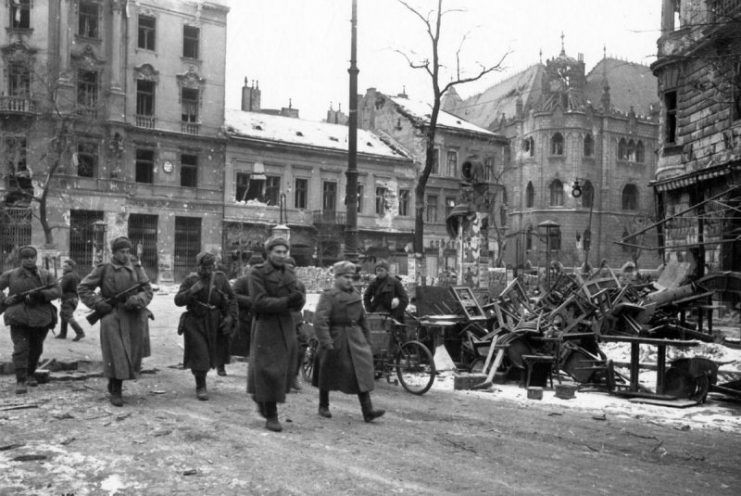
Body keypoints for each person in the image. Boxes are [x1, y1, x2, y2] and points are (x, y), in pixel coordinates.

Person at [78, 237, 153, 407]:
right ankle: (117, 390)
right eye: (122, 252)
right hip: (112, 315)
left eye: (127, 251)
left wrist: (137, 299)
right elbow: (83, 287)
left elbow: (147, 290)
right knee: (116, 353)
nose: (125, 255)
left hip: (133, 315)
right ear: (114, 252)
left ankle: (114, 382)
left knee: (132, 353)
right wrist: (97, 303)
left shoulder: (136, 268)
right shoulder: (104, 269)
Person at [312, 261, 385, 422]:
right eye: (345, 277)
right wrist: (326, 342)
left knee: (361, 372)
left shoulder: (355, 295)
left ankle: (368, 410)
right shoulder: (329, 296)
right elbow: (320, 321)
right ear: (336, 277)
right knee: (327, 370)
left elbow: (362, 320)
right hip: (336, 337)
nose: (349, 280)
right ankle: (323, 405)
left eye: (351, 277)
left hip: (355, 338)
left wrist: (367, 340)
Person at [247, 237, 305, 432]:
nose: (281, 255)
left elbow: (296, 299)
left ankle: (261, 397)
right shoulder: (258, 273)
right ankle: (271, 415)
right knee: (269, 369)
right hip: (266, 326)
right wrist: (287, 301)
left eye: (284, 252)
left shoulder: (290, 272)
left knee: (284, 369)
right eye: (277, 252)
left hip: (286, 325)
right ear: (269, 253)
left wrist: (299, 300)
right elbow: (259, 302)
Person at [174, 252, 237, 399]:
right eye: (204, 267)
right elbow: (178, 300)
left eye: (210, 267)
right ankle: (200, 385)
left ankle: (205, 376)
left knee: (212, 353)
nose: (207, 271)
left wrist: (230, 317)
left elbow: (232, 298)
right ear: (198, 266)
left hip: (214, 321)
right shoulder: (191, 280)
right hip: (195, 322)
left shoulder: (220, 279)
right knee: (199, 353)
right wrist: (192, 291)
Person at [0, 245, 61, 394]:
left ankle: (30, 374)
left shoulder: (45, 274)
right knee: (21, 348)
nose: (29, 260)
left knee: (36, 348)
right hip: (18, 316)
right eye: (25, 257)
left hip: (41, 316)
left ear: (36, 258)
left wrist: (42, 295)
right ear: (21, 259)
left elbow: (57, 290)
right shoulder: (11, 275)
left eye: (32, 257)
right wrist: (4, 300)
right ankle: (21, 380)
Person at [230, 253, 264, 360]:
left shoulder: (265, 282)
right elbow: (233, 295)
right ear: (249, 267)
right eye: (255, 267)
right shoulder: (243, 281)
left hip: (261, 318)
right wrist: (251, 301)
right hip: (244, 317)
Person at [285, 256, 307, 392]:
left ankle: (293, 376)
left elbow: (303, 300)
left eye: (292, 268)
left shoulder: (299, 284)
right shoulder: (276, 283)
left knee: (301, 347)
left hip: (295, 319)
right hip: (280, 319)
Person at [56, 259, 85, 341]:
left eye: (65, 266)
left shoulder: (68, 276)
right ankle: (62, 333)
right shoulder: (76, 275)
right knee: (63, 314)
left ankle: (80, 332)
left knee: (68, 316)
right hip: (74, 299)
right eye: (63, 266)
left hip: (68, 299)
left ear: (71, 267)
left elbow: (61, 287)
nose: (63, 268)